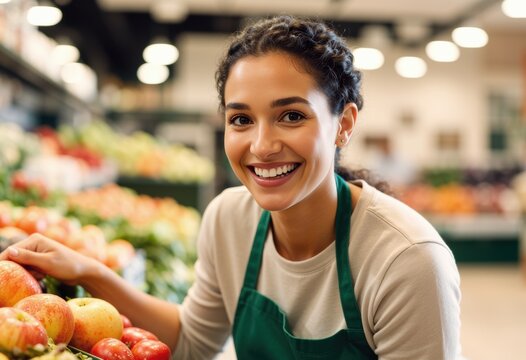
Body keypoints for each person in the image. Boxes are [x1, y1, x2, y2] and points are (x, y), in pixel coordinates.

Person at [0, 15, 461, 359]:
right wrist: (90, 272)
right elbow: (193, 343)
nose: (262, 145)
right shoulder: (230, 218)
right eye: (241, 119)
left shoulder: (407, 260)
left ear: (343, 124)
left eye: (291, 116)